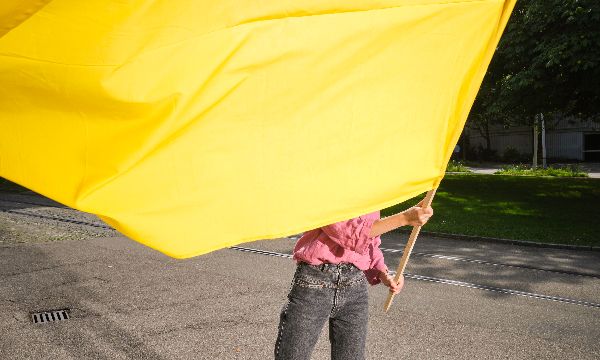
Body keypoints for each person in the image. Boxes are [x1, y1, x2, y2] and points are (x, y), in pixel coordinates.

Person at [274, 199, 434, 360]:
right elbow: (349, 234)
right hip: (314, 282)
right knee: (293, 355)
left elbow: (370, 242)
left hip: (355, 283)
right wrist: (404, 218)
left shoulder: (370, 190)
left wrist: (382, 272)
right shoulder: (329, 184)